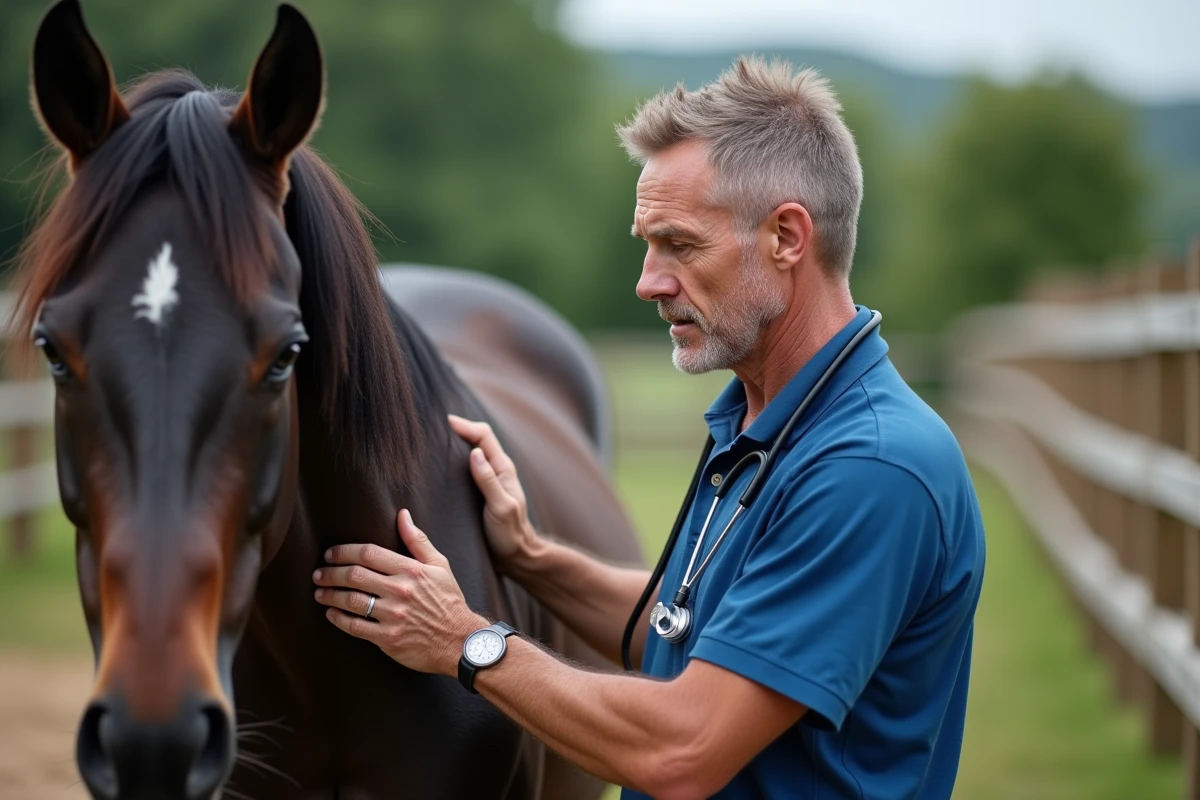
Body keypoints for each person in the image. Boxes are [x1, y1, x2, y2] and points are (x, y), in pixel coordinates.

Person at [312, 56, 985, 799]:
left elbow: (685, 747)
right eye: (646, 243)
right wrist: (530, 558)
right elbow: (684, 634)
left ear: (788, 237)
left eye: (681, 245)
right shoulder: (764, 416)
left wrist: (464, 642)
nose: (648, 280)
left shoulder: (871, 467)